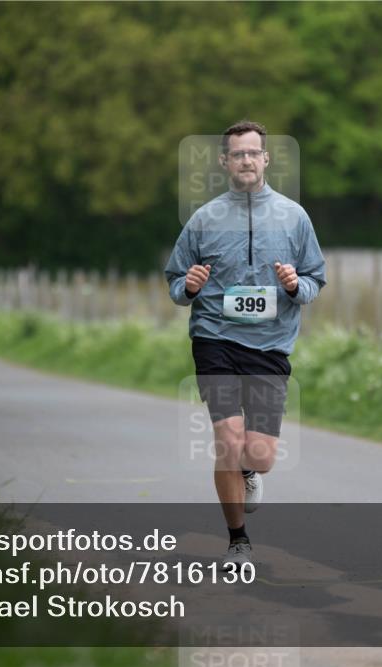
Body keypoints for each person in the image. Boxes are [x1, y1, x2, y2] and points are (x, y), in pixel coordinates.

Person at [164, 120, 327, 569]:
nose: (247, 161)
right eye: (238, 154)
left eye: (254, 153)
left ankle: (251, 472)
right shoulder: (203, 219)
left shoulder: (295, 217)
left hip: (271, 346)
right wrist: (190, 287)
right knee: (227, 440)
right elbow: (175, 282)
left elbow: (317, 279)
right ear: (224, 162)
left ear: (267, 159)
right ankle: (238, 540)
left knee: (259, 454)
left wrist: (296, 286)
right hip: (214, 338)